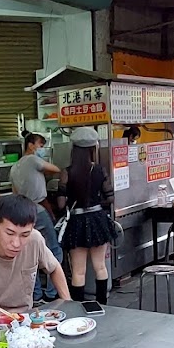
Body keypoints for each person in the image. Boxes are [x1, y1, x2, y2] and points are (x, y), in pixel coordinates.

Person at [61, 126, 117, 305]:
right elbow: (110, 198)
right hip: (97, 220)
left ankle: (79, 307)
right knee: (100, 267)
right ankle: (103, 305)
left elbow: (61, 203)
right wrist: (95, 202)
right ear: (93, 148)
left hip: (76, 221)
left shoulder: (67, 172)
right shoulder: (100, 170)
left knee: (78, 271)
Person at [9, 133, 62, 300]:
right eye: (40, 145)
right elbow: (56, 169)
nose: (42, 149)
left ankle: (35, 294)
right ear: (30, 145)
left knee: (30, 252)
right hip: (39, 209)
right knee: (54, 250)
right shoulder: (32, 160)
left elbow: (15, 192)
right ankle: (52, 293)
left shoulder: (14, 167)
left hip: (24, 212)